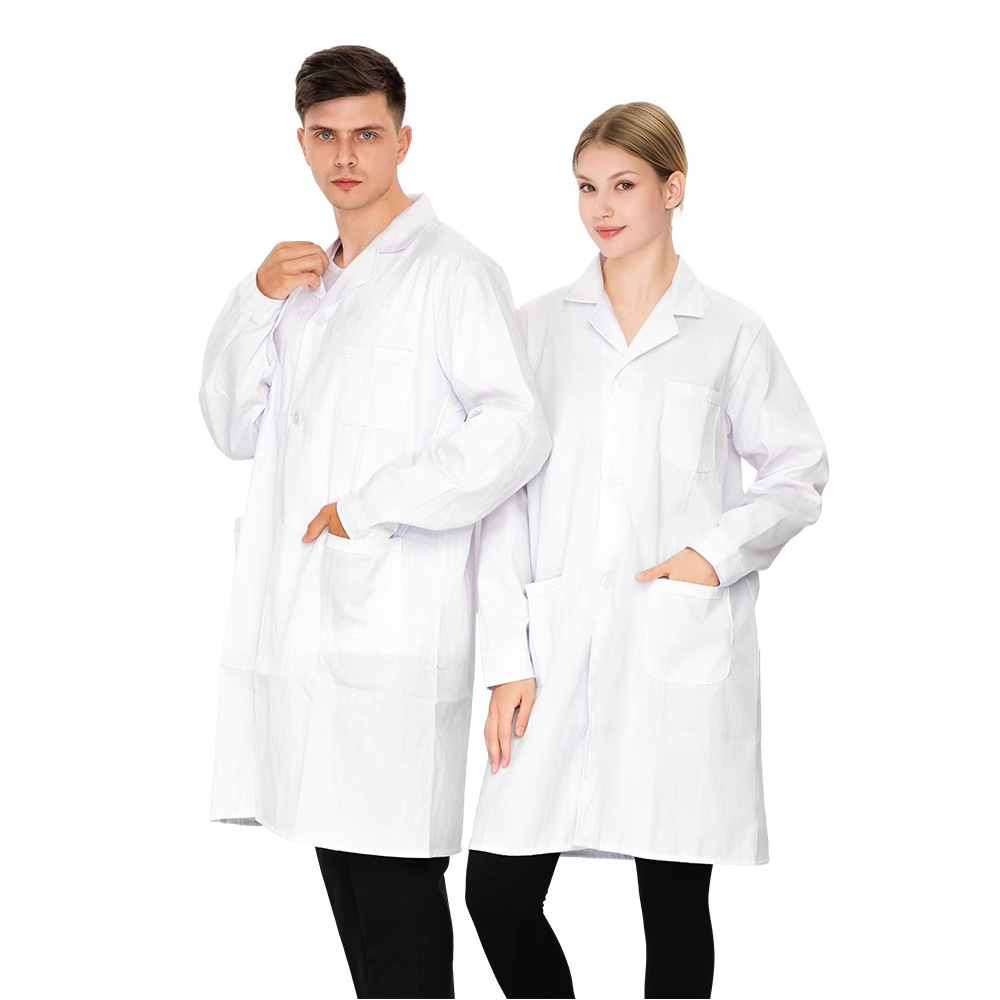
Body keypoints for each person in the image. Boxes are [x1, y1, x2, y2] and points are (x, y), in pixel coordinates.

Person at [198, 45, 550, 1000]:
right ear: (301, 144)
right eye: (325, 136)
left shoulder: (454, 272)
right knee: (360, 924)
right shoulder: (303, 287)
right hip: (308, 644)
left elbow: (515, 429)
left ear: (403, 140)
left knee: (399, 934)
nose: (345, 156)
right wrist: (254, 301)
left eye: (366, 134)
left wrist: (368, 508)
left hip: (393, 642)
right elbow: (231, 427)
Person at [465, 102, 829, 999]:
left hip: (676, 648)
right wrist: (507, 660)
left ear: (673, 189)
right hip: (553, 645)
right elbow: (500, 500)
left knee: (673, 906)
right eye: (586, 187)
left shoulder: (731, 332)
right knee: (497, 895)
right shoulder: (534, 329)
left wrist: (715, 552)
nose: (601, 207)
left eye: (624, 185)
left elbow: (799, 471)